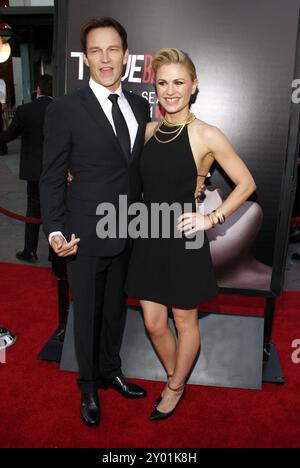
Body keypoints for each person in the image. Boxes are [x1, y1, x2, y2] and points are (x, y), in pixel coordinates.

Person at [125, 48, 257, 421]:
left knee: (184, 321)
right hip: (149, 234)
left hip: (184, 239)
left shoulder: (207, 134)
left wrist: (212, 218)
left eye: (179, 82)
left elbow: (246, 183)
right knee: (153, 322)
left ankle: (174, 387)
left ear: (194, 86)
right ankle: (175, 375)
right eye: (163, 83)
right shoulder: (149, 130)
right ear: (156, 87)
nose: (171, 91)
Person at [39, 17, 150, 428]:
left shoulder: (140, 104)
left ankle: (110, 369)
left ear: (126, 55)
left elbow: (137, 169)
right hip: (82, 234)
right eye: (96, 51)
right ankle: (87, 384)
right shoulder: (65, 108)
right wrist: (54, 229)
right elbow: (51, 176)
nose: (105, 59)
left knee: (116, 310)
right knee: (86, 312)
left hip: (128, 230)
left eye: (113, 49)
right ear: (85, 58)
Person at [0, 74, 53, 262]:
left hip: (34, 173)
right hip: (57, 171)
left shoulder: (25, 111)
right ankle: (56, 257)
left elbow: (7, 137)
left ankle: (30, 251)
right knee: (55, 211)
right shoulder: (62, 108)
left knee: (33, 210)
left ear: (37, 89)